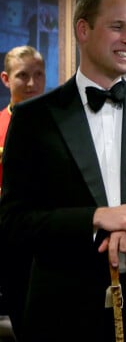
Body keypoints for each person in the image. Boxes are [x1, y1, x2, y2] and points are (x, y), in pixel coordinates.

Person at [0, 0, 126, 342]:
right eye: (117, 27)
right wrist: (96, 217)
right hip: (62, 310)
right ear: (83, 30)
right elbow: (14, 220)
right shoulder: (34, 118)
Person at [0, 45, 45, 337]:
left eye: (38, 75)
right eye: (22, 76)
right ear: (6, 79)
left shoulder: (61, 125)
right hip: (9, 241)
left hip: (52, 239)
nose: (31, 84)